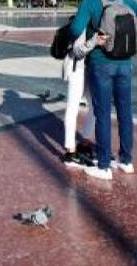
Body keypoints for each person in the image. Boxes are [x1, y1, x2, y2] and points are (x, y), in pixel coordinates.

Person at [68, 0, 137, 181]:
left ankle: (103, 166)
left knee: (102, 114)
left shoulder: (90, 2)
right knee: (125, 112)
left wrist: (93, 37)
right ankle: (126, 161)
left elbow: (74, 30)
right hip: (125, 63)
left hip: (101, 63)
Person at [61, 20, 100, 167]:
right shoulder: (80, 23)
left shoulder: (95, 20)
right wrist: (95, 41)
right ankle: (70, 150)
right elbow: (78, 50)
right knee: (73, 106)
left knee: (95, 106)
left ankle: (84, 140)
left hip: (89, 69)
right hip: (77, 69)